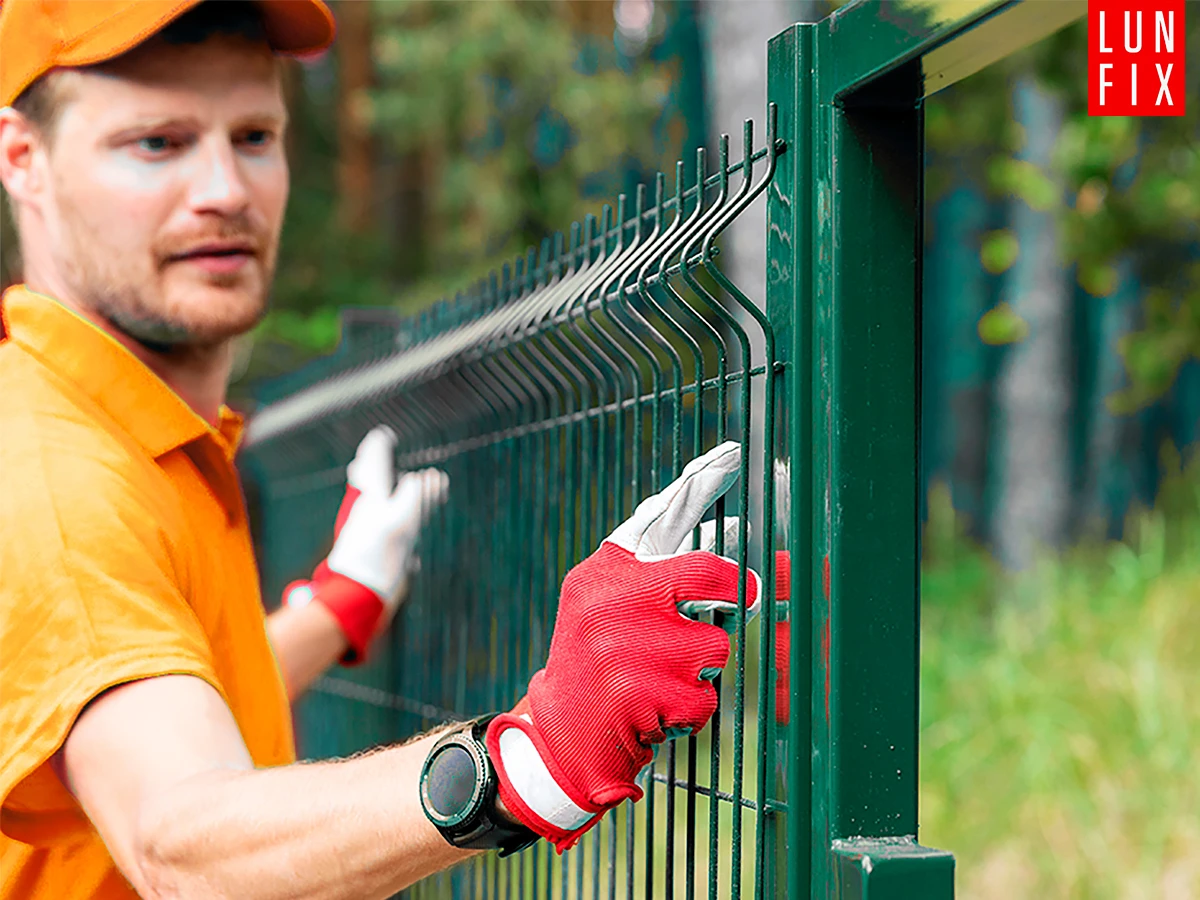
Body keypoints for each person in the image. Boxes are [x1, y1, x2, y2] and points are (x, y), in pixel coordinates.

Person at [0, 2, 763, 898]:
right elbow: (176, 844)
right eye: (158, 143)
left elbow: (165, 700)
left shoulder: (121, 431)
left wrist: (342, 600)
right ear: (23, 158)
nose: (225, 189)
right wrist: (529, 761)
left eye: (252, 135)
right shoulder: (53, 479)